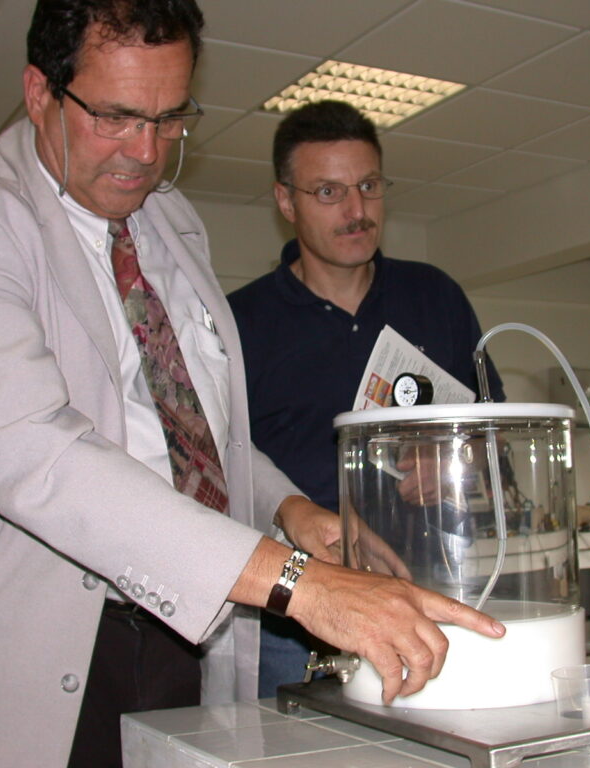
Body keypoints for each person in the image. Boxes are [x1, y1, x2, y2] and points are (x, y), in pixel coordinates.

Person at [0, 4, 505, 767]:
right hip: (18, 648)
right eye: (117, 116)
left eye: (169, 120)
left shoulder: (168, 222)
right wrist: (301, 584)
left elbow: (199, 436)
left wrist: (288, 510)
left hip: (180, 628)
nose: (146, 152)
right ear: (39, 92)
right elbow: (36, 453)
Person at [227, 100, 506, 697]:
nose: (357, 211)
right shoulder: (239, 323)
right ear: (285, 201)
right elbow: (222, 464)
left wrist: (455, 454)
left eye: (369, 186)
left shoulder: (436, 296)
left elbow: (495, 430)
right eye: (329, 192)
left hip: (430, 598)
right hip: (297, 623)